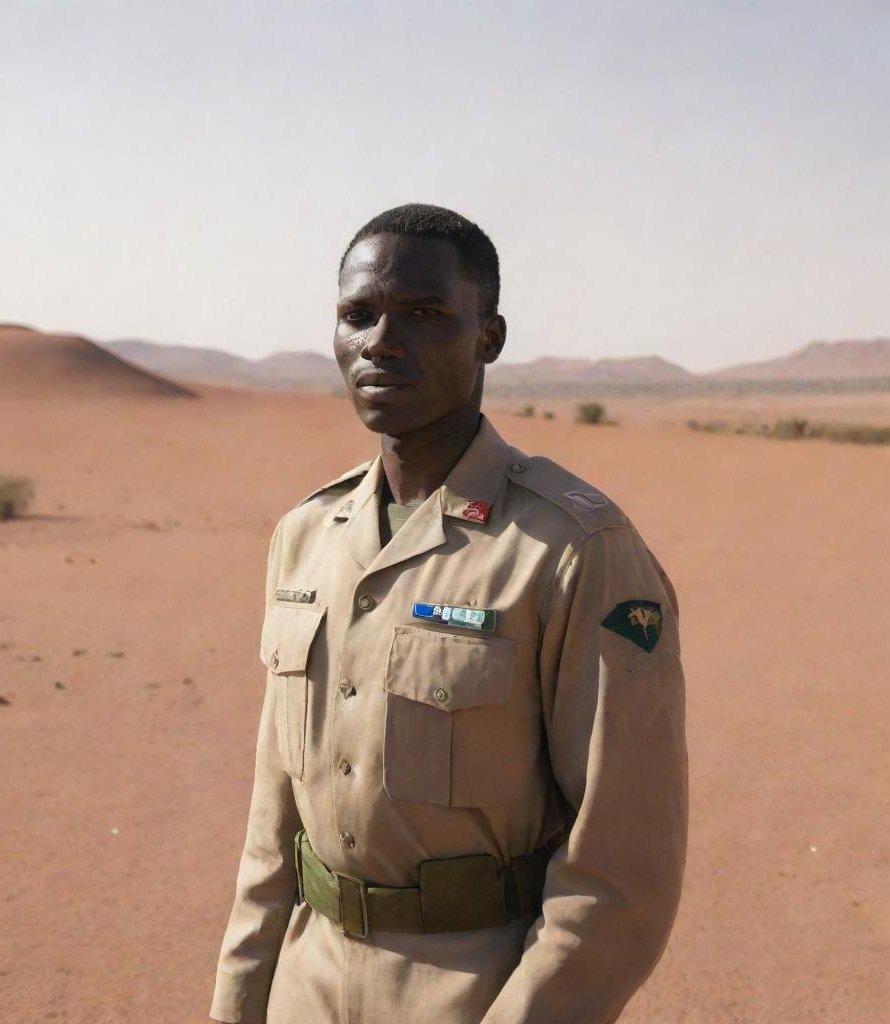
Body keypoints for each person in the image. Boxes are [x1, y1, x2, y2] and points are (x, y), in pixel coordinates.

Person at [208, 204, 688, 1024]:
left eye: (424, 315)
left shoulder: (572, 548)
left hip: (478, 992)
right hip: (307, 984)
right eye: (358, 316)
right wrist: (239, 1002)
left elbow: (620, 872)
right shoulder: (305, 538)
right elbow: (273, 822)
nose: (381, 342)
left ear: (489, 337)